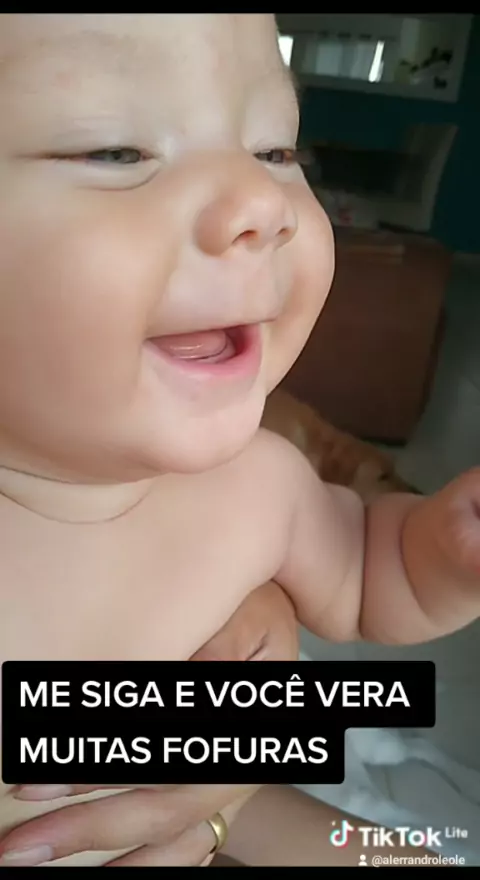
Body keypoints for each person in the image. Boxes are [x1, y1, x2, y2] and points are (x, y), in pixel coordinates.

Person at [0, 11, 479, 868]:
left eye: (277, 150)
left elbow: (377, 571)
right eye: (115, 150)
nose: (265, 203)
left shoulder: (260, 486)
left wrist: (448, 548)